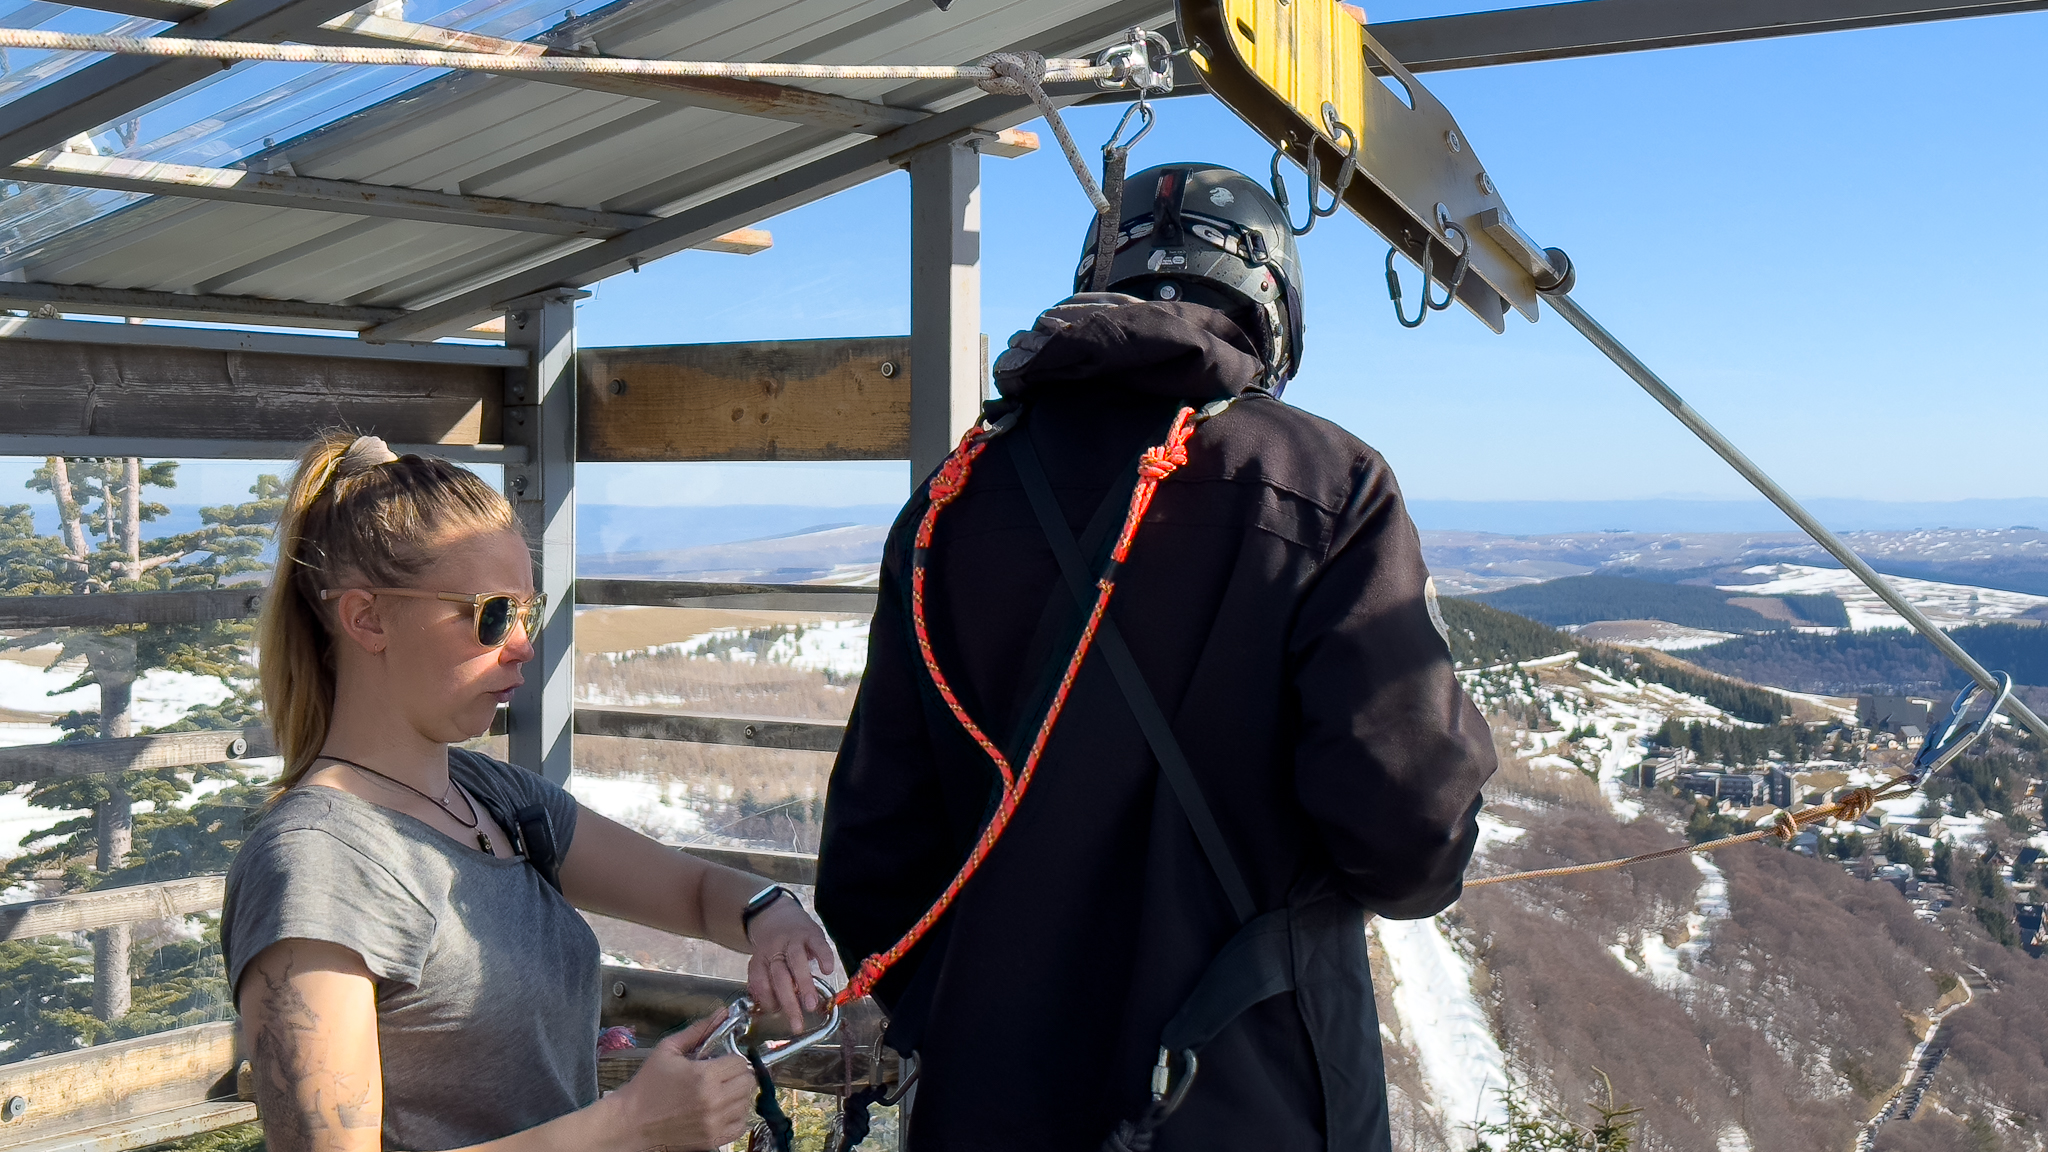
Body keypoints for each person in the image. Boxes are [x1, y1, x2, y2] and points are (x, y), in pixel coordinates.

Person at [814, 163, 1498, 1150]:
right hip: (1238, 1093)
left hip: (984, 1100)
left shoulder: (950, 499)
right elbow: (1406, 840)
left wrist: (971, 1018)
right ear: (1271, 305)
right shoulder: (1326, 485)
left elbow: (876, 859)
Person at [223, 433, 837, 1152]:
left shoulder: (492, 798)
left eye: (526, 613)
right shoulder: (318, 867)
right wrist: (630, 1127)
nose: (521, 646)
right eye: (489, 615)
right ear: (367, 618)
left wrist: (772, 916)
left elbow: (696, 890)